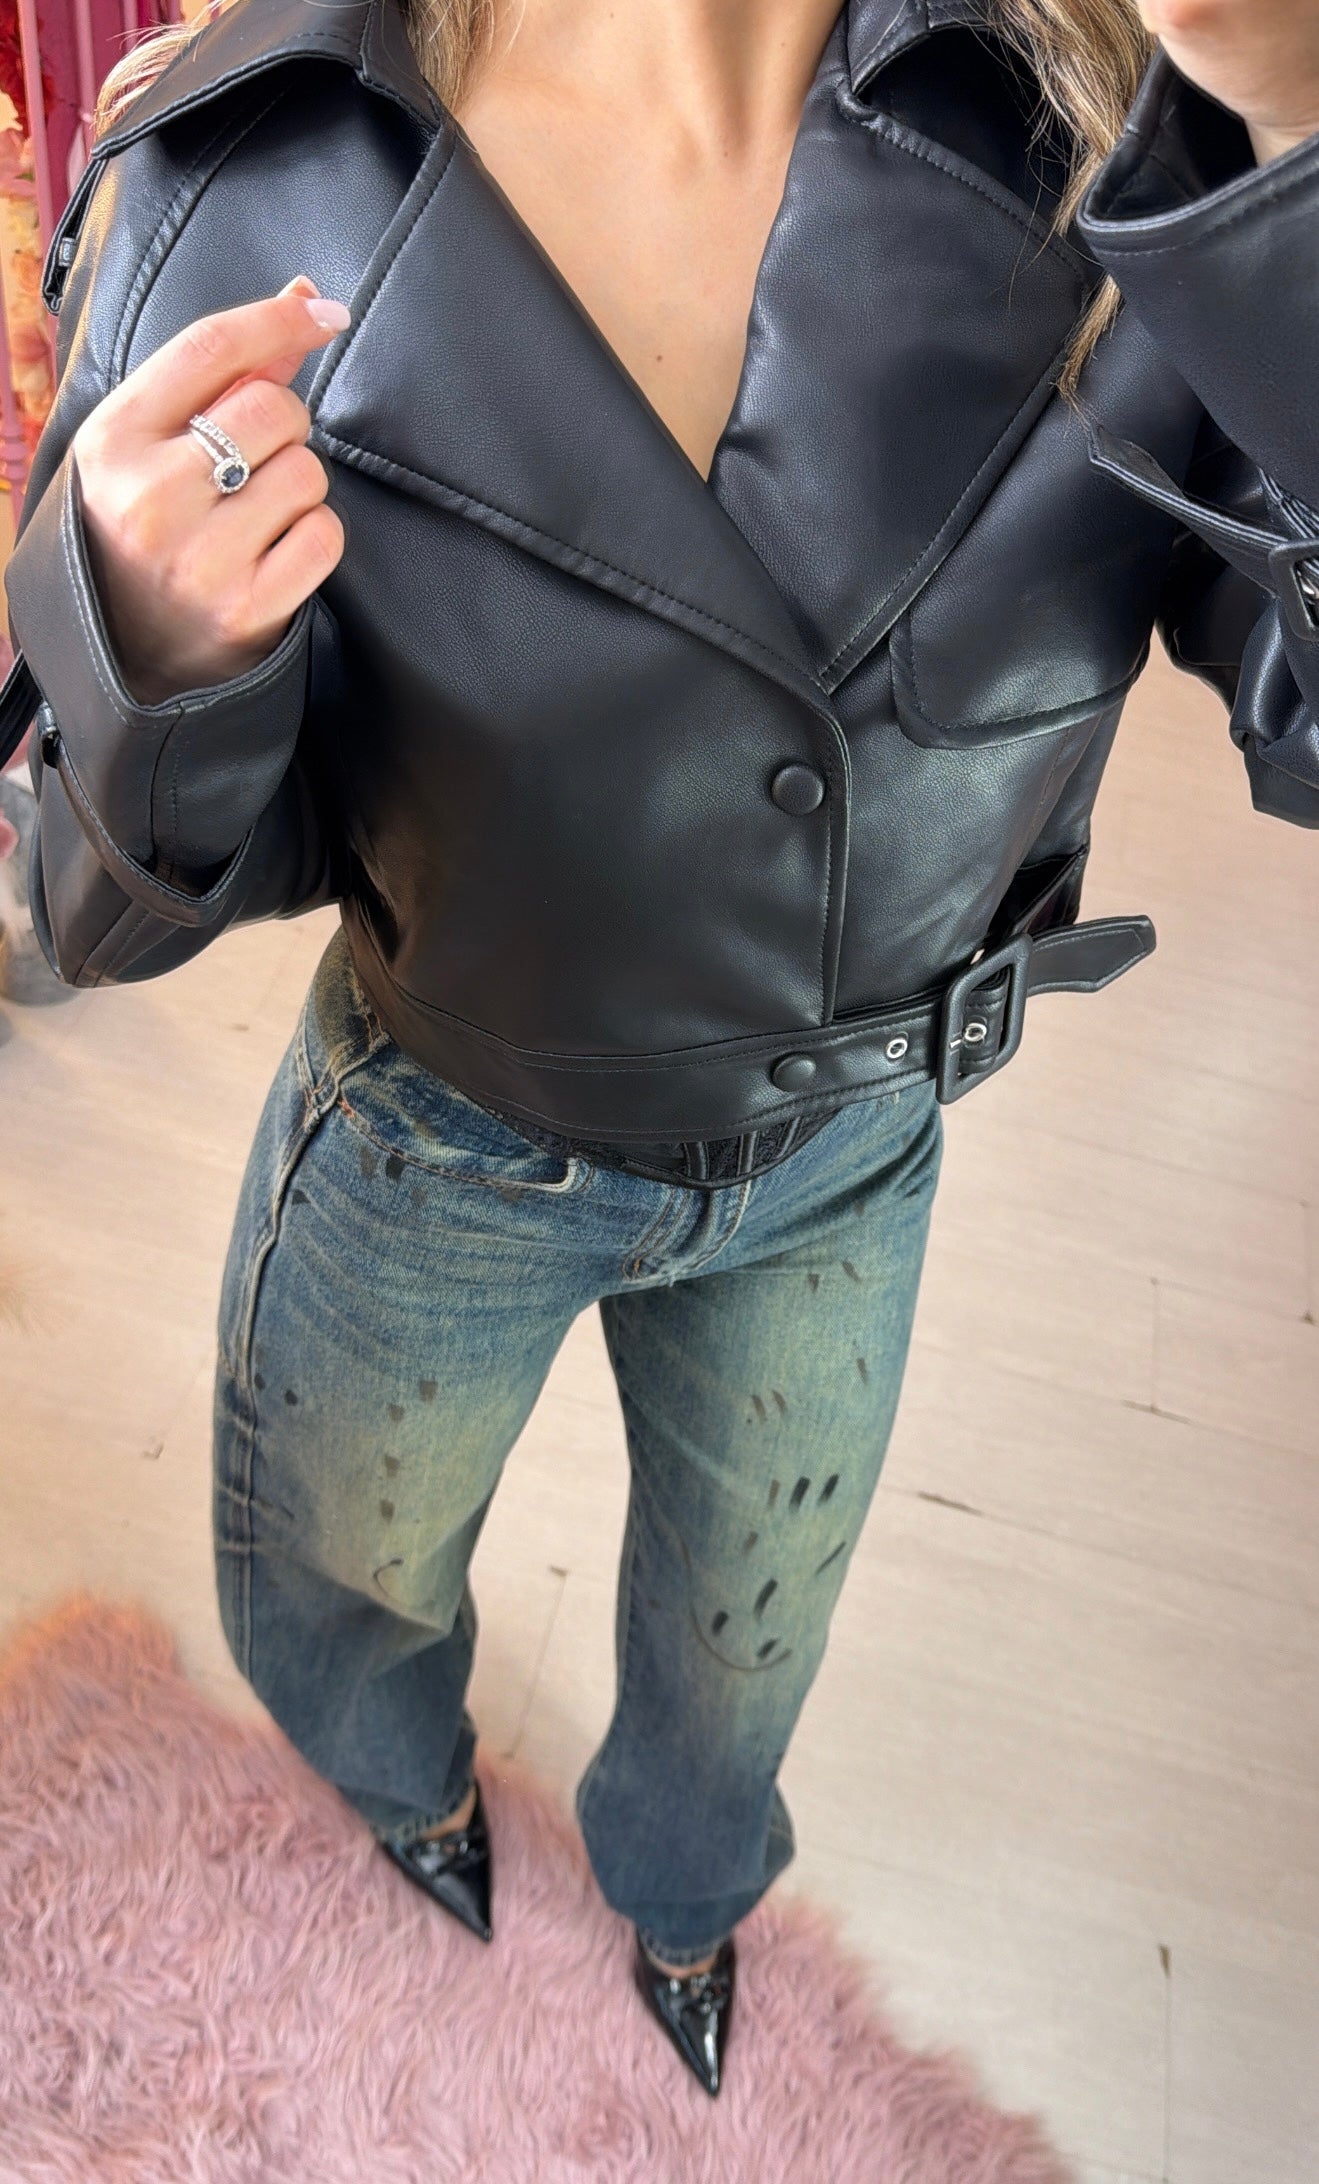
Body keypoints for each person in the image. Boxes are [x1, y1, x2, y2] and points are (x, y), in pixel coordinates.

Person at [5, 0, 1318, 2098]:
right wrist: (158, 665)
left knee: (748, 1633)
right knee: (340, 1575)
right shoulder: (239, 168)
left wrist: (1298, 155)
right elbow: (88, 905)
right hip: (444, 1136)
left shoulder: (1126, 132)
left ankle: (689, 1897)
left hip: (847, 1152)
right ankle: (405, 1791)